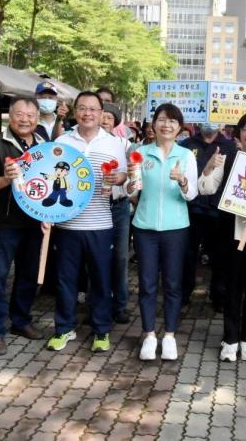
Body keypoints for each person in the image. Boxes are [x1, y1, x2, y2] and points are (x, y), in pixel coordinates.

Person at [47, 92, 128, 353]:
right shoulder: (62, 140)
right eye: (82, 108)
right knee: (66, 280)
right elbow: (50, 179)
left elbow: (124, 178)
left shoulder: (114, 143)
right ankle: (64, 328)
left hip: (101, 223)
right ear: (75, 112)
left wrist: (119, 180)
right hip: (67, 225)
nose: (87, 113)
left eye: (93, 109)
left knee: (101, 280)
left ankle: (101, 330)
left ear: (102, 112)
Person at [199, 112, 246, 363]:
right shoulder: (228, 159)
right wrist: (209, 168)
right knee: (232, 287)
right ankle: (230, 339)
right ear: (238, 133)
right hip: (230, 234)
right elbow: (206, 188)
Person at [127, 103, 197, 361]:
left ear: (180, 128)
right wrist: (129, 184)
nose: (166, 125)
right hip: (144, 227)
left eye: (172, 121)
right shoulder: (140, 153)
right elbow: (132, 193)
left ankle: (169, 335)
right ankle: (148, 334)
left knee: (172, 283)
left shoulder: (186, 156)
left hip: (176, 229)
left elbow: (191, 195)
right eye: (162, 120)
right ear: (153, 125)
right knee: (146, 284)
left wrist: (182, 181)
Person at [0, 96, 47, 356]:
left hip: (35, 222)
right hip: (3, 222)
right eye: (20, 114)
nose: (25, 119)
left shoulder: (44, 146)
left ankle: (21, 320)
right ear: (10, 115)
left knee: (28, 274)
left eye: (30, 115)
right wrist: (5, 180)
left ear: (37, 118)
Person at [180, 123, 235, 311]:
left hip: (218, 210)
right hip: (190, 208)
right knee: (187, 254)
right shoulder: (186, 144)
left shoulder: (230, 147)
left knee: (219, 256)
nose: (208, 123)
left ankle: (218, 295)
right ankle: (184, 292)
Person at [102, 102, 133, 323]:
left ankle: (120, 305)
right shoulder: (86, 144)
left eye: (109, 118)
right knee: (96, 256)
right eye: (101, 116)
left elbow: (134, 175)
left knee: (121, 257)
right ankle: (98, 303)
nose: (104, 121)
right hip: (96, 206)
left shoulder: (125, 144)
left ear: (115, 122)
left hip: (120, 206)